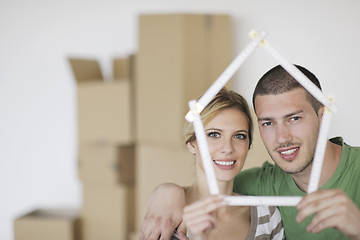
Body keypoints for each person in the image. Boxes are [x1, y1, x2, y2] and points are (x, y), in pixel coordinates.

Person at [139, 65, 360, 240]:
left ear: (323, 116)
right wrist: (167, 192)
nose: (282, 137)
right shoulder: (259, 187)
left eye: (294, 118)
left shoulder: (264, 209)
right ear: (192, 142)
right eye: (268, 123)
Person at [141, 88, 285, 240]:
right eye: (214, 134)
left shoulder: (267, 215)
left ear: (248, 144)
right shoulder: (168, 216)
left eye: (239, 136)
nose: (228, 148)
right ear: (192, 143)